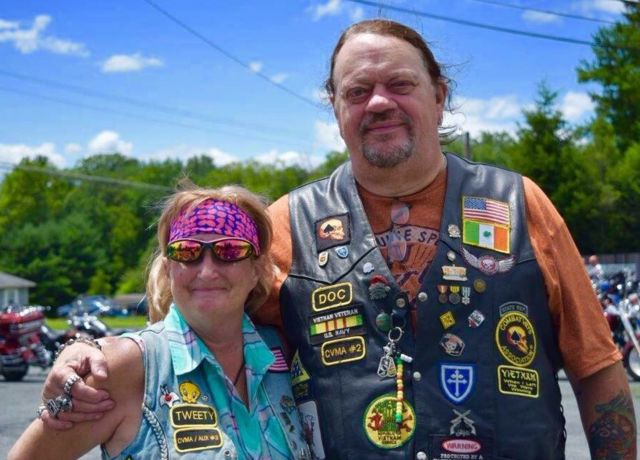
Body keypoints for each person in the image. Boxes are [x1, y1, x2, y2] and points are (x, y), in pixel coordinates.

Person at [38, 19, 636, 460]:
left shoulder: (520, 203)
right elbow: (190, 329)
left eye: (400, 84)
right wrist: (87, 353)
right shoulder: (288, 224)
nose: (379, 102)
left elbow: (597, 370)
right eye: (356, 91)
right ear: (335, 108)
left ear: (439, 95)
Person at [9, 185, 309, 459]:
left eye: (229, 251)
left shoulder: (282, 351)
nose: (207, 271)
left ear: (256, 269)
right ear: (168, 269)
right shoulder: (124, 368)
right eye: (187, 252)